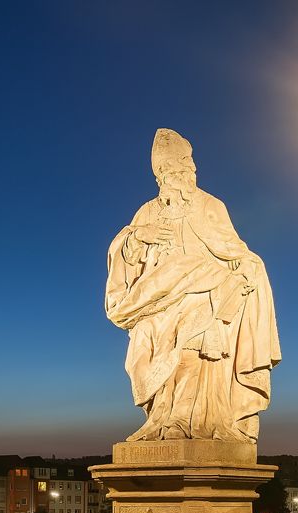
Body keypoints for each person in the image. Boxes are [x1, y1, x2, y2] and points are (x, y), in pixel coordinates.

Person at [105, 129, 281, 442]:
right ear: (160, 177)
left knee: (190, 337)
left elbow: (234, 250)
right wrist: (137, 237)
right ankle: (161, 417)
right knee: (144, 336)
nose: (178, 178)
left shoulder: (210, 206)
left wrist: (243, 269)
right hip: (158, 299)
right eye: (170, 173)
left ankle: (191, 422)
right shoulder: (148, 212)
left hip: (204, 294)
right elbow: (127, 254)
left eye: (183, 171)